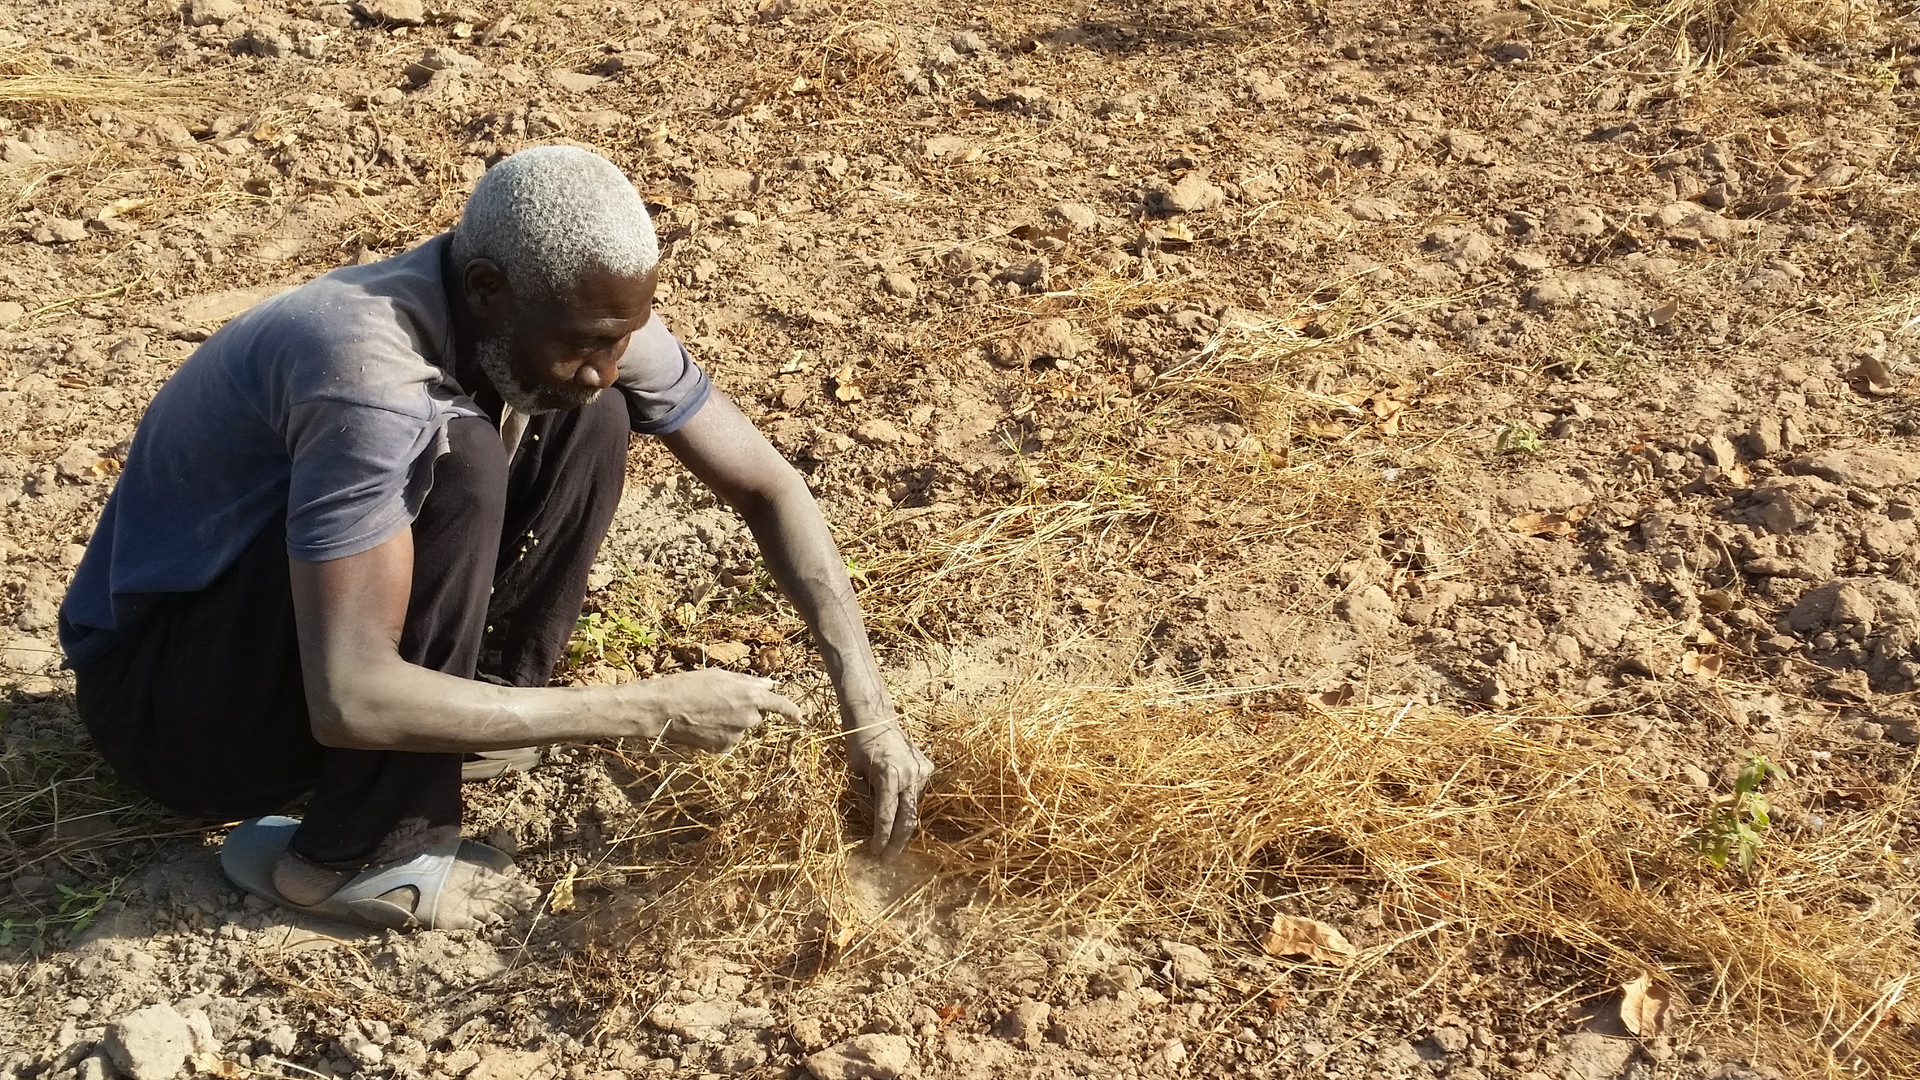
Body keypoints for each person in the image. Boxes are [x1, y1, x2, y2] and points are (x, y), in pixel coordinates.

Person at [57, 145, 933, 931]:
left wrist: (873, 712)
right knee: (463, 456)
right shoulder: (367, 371)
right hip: (174, 712)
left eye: (621, 337)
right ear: (485, 288)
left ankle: (468, 720)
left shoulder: (577, 317)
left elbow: (770, 486)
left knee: (595, 418)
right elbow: (349, 699)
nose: (603, 361)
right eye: (585, 341)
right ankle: (356, 857)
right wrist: (638, 711)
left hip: (295, 661)